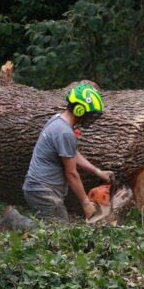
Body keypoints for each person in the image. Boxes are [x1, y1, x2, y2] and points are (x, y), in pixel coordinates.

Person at [22, 82, 114, 223]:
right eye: (90, 114)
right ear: (79, 110)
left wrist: (97, 171)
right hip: (42, 191)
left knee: (52, 230)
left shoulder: (58, 120)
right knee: (58, 233)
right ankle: (13, 222)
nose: (90, 119)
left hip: (38, 188)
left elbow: (71, 153)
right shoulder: (65, 132)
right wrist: (85, 202)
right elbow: (71, 174)